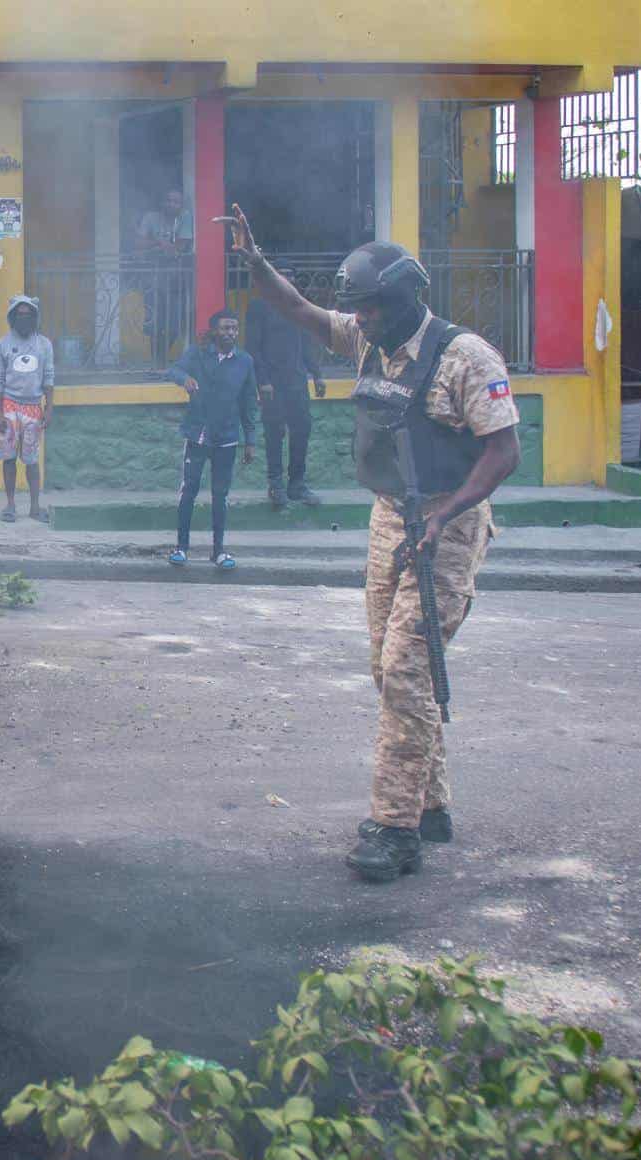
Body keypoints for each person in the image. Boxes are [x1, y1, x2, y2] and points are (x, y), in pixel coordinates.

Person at [219, 204, 520, 883]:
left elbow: (503, 452)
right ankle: (430, 803)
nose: (364, 322)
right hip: (391, 516)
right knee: (389, 667)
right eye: (360, 312)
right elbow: (299, 311)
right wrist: (254, 260)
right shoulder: (368, 337)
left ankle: (394, 827)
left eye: (376, 310)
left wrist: (448, 515)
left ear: (407, 297)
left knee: (410, 671)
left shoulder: (465, 358)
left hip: (448, 523)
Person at [165, 309, 257, 570]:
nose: (230, 333)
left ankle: (218, 551)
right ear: (215, 330)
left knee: (220, 495)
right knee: (188, 491)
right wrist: (185, 378)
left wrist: (250, 440)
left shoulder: (245, 362)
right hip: (197, 434)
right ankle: (181, 548)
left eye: (234, 329)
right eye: (226, 328)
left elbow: (249, 403)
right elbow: (172, 370)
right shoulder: (197, 353)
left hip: (227, 437)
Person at [244, 268, 328, 509]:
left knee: (302, 429)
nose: (288, 282)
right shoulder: (259, 307)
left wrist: (317, 375)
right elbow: (253, 347)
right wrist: (263, 381)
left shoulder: (296, 307)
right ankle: (276, 484)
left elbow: (305, 345)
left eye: (291, 278)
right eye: (283, 278)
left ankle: (297, 484)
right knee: (275, 432)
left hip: (297, 381)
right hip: (273, 383)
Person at [0, 294, 54, 523]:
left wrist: (49, 408)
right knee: (9, 458)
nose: (24, 319)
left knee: (32, 460)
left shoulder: (44, 345)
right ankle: (10, 506)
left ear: (35, 318)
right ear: (13, 317)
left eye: (29, 315)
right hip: (8, 406)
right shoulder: (2, 345)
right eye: (20, 315)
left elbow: (48, 378)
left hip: (33, 408)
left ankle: (35, 508)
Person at [134, 188, 192, 364]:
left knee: (174, 327)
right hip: (153, 280)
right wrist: (159, 242)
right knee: (154, 325)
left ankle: (160, 360)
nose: (172, 204)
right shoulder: (151, 217)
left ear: (181, 205)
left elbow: (180, 247)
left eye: (176, 202)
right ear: (162, 203)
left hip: (176, 282)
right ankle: (157, 364)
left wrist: (157, 247)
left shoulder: (185, 217)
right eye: (169, 200)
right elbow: (138, 243)